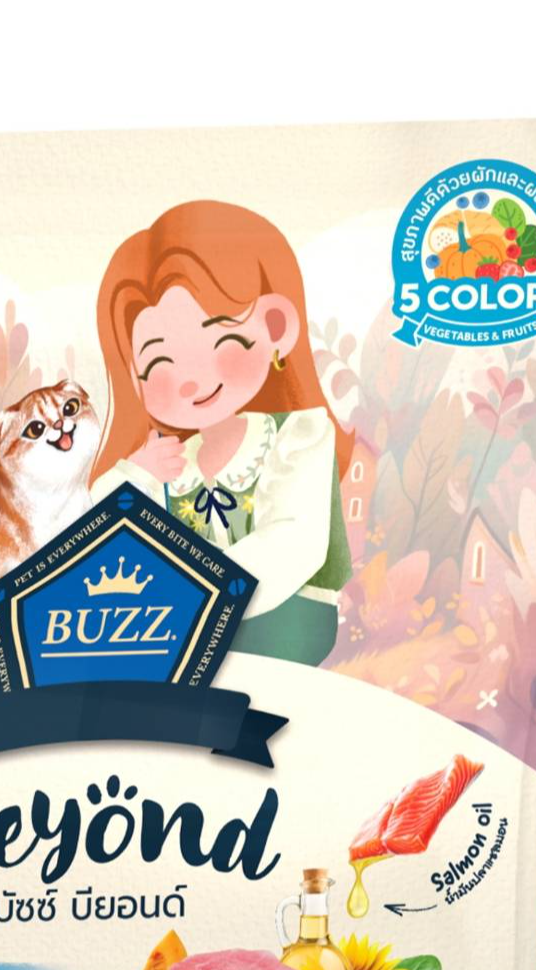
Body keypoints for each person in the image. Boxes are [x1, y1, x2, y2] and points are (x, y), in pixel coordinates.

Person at [90, 201, 352, 666]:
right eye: (159, 362)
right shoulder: (173, 460)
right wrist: (135, 475)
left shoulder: (298, 434)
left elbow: (294, 543)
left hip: (288, 617)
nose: (190, 379)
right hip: (193, 627)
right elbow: (103, 532)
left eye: (216, 338)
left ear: (276, 326)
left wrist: (188, 596)